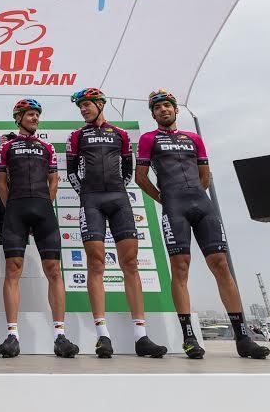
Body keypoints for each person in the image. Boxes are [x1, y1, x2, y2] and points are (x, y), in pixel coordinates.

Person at [135, 90, 268, 360]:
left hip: (202, 203)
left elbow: (205, 175)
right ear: (153, 114)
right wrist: (163, 198)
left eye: (167, 106)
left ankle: (243, 337)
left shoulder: (194, 138)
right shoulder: (149, 139)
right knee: (180, 267)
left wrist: (197, 194)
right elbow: (140, 177)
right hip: (174, 206)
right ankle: (189, 338)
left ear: (175, 110)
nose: (163, 110)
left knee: (221, 265)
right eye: (158, 108)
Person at [66, 88, 166, 359]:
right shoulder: (76, 135)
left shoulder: (120, 134)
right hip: (91, 201)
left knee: (130, 263)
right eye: (80, 106)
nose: (83, 109)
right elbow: (72, 172)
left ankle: (141, 335)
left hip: (119, 199)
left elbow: (128, 169)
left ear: (100, 104)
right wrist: (87, 194)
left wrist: (118, 190)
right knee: (96, 263)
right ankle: (103, 336)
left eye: (87, 104)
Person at [0, 99, 79, 358]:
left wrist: (45, 204)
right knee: (13, 269)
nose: (35, 118)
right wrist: (12, 207)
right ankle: (12, 335)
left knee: (53, 270)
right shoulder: (7, 146)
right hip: (16, 209)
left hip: (43, 210)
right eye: (30, 114)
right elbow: (1, 183)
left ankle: (60, 335)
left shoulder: (47, 146)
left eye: (37, 115)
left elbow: (53, 180)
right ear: (18, 118)